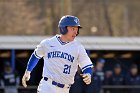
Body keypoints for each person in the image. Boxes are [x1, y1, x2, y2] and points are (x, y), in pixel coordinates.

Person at [22, 15, 93, 93]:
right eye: (73, 29)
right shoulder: (48, 43)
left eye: (77, 29)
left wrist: (88, 74)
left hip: (65, 89)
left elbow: (87, 65)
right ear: (63, 29)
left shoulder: (78, 47)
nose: (76, 32)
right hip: (47, 86)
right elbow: (36, 56)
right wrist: (28, 71)